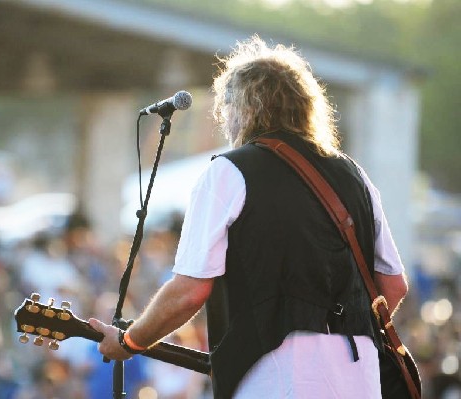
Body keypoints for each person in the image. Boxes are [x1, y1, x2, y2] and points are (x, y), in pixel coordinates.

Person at [89, 35, 409, 398]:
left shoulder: (229, 172)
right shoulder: (354, 175)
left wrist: (130, 341)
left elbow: (190, 292)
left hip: (279, 378)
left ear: (241, 108)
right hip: (361, 379)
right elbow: (393, 286)